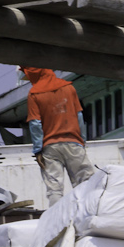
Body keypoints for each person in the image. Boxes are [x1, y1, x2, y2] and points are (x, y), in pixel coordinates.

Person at [21, 67, 96, 205]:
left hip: (50, 147)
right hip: (74, 143)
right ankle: (88, 216)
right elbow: (79, 117)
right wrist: (82, 141)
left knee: (54, 189)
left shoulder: (34, 93)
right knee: (85, 183)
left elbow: (35, 124)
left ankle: (57, 224)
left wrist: (38, 150)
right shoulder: (69, 88)